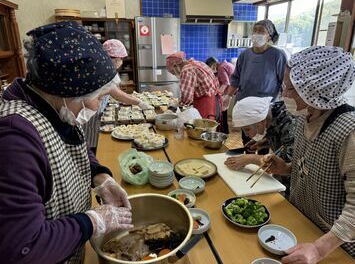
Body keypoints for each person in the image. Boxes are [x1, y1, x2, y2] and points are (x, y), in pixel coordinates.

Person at [0, 22, 133, 263]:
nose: (95, 107)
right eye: (97, 98)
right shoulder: (15, 140)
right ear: (69, 92)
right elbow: (22, 249)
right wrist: (93, 221)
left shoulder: (52, 106)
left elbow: (71, 147)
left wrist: (100, 177)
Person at [262, 46, 355, 263]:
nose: (283, 94)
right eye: (284, 86)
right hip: (301, 222)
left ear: (315, 89)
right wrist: (285, 168)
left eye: (290, 88)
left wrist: (319, 250)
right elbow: (308, 165)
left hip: (332, 245)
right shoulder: (306, 116)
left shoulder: (349, 130)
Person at [226, 19, 287, 152]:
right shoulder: (245, 54)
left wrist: (286, 103)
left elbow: (285, 82)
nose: (256, 33)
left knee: (264, 142)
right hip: (244, 107)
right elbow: (236, 78)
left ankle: (259, 162)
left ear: (269, 35)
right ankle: (247, 163)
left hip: (263, 109)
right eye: (255, 30)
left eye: (261, 31)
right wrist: (228, 96)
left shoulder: (277, 55)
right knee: (248, 141)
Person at [82, 39, 150, 152]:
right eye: (120, 59)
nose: (121, 62)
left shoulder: (102, 68)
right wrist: (139, 102)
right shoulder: (103, 72)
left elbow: (115, 90)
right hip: (90, 116)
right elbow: (117, 94)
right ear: (112, 58)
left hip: (95, 112)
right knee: (92, 146)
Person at [224, 96, 295, 197]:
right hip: (278, 180)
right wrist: (265, 142)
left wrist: (251, 158)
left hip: (293, 184)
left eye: (247, 129)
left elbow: (288, 162)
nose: (247, 135)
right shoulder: (270, 113)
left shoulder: (289, 122)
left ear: (261, 122)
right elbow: (282, 142)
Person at [166, 52, 221, 121]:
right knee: (208, 128)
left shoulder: (186, 70)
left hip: (204, 104)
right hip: (214, 100)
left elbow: (186, 98)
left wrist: (175, 105)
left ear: (175, 65)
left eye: (173, 72)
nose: (175, 74)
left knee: (201, 129)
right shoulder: (198, 63)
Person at [205, 56, 235, 133]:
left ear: (213, 65)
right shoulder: (225, 64)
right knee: (223, 110)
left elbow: (226, 83)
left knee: (222, 110)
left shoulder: (221, 68)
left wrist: (217, 93)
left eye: (210, 68)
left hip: (230, 91)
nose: (211, 70)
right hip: (231, 91)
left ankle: (223, 131)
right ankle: (224, 130)